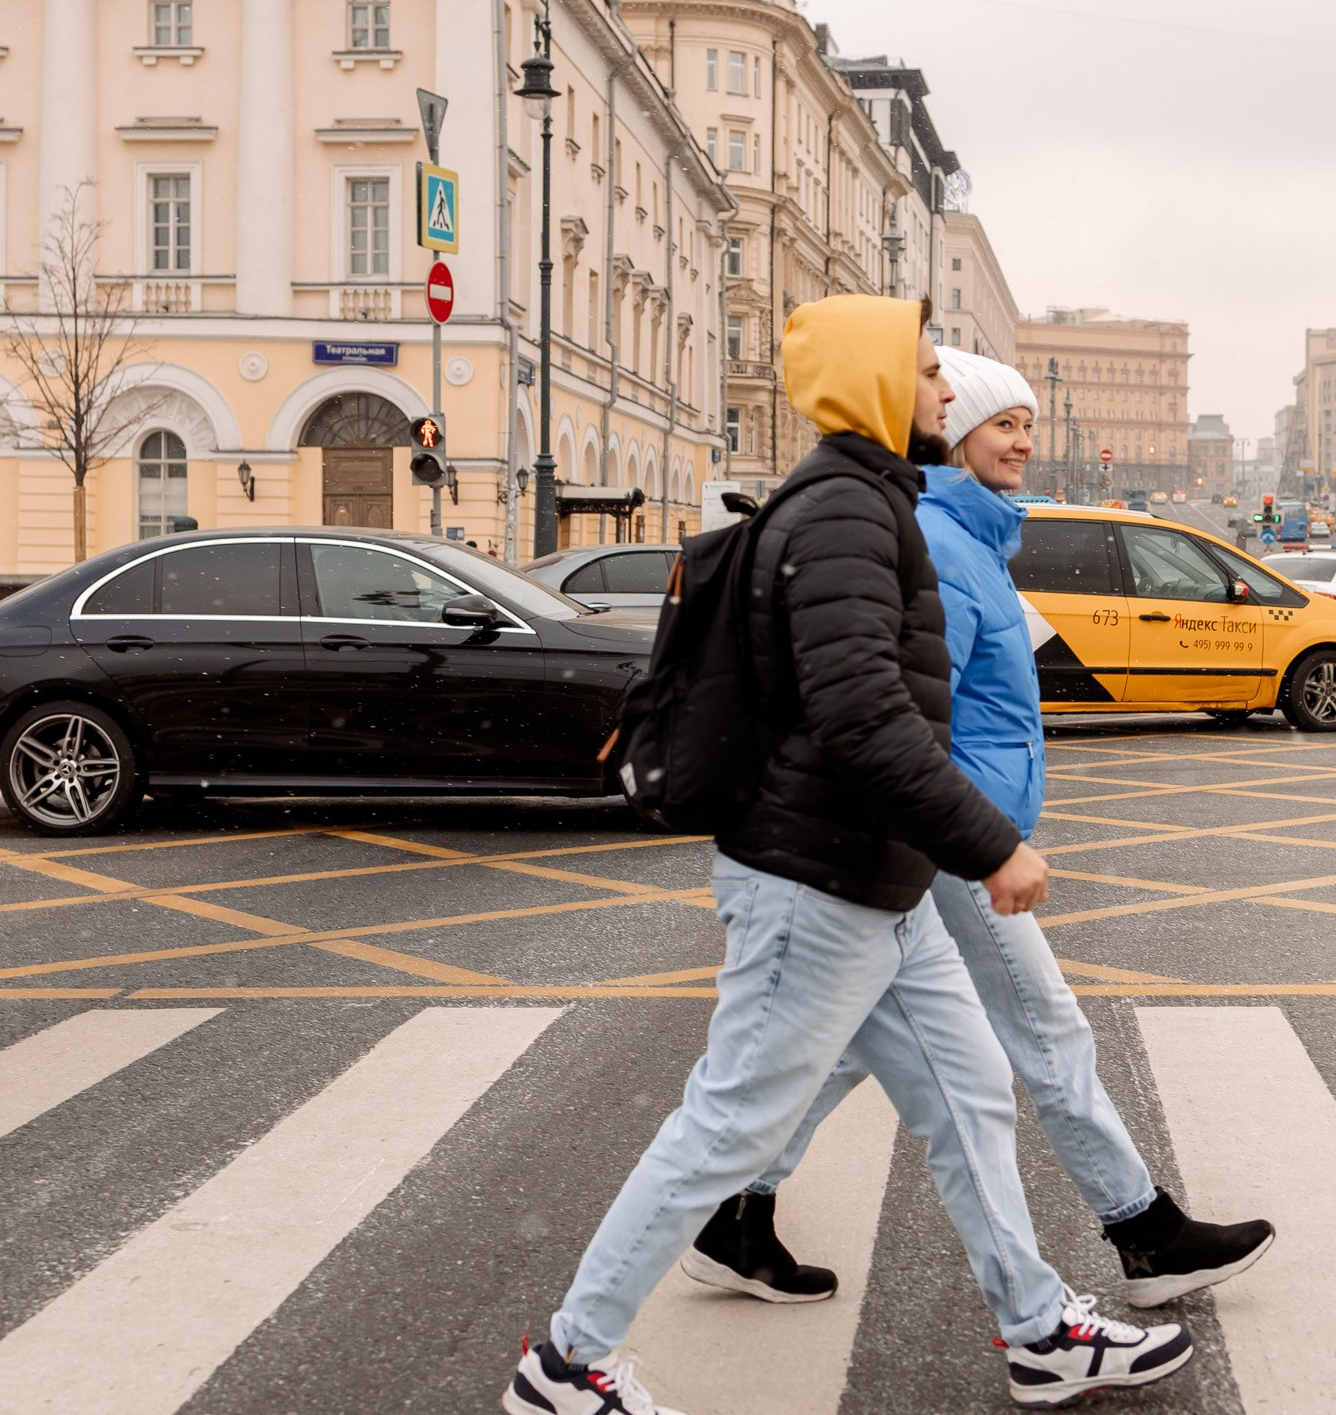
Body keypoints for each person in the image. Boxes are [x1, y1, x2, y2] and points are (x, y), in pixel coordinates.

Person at [507, 298, 1192, 1415]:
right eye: (926, 372)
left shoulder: (867, 501)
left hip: (877, 877)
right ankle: (568, 1365)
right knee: (731, 1121)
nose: (943, 390)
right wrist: (990, 845)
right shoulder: (842, 515)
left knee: (969, 1094)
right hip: (814, 879)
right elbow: (862, 714)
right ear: (876, 383)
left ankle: (1039, 1332)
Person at [688, 345, 1271, 1318]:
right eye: (1004, 424)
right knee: (1045, 1029)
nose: (1024, 442)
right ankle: (1144, 1232)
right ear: (955, 435)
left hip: (951, 828)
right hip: (952, 834)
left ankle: (734, 1213)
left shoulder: (972, 537)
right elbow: (910, 709)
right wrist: (979, 836)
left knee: (839, 1042)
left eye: (1029, 424)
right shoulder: (942, 544)